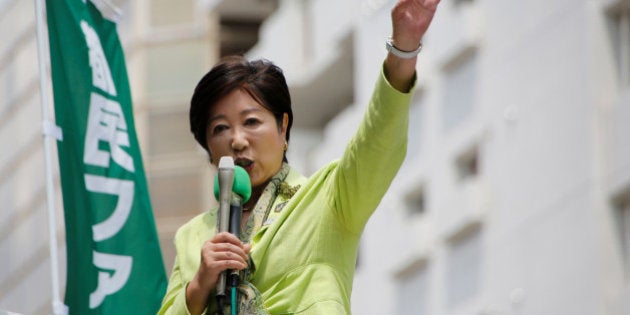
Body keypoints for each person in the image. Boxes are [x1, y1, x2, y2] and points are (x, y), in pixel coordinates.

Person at [158, 0, 440, 314]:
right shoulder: (192, 237)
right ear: (208, 148)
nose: (236, 141)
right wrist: (199, 285)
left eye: (251, 122)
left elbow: (377, 143)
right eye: (220, 128)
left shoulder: (328, 200)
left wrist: (403, 49)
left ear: (283, 127)